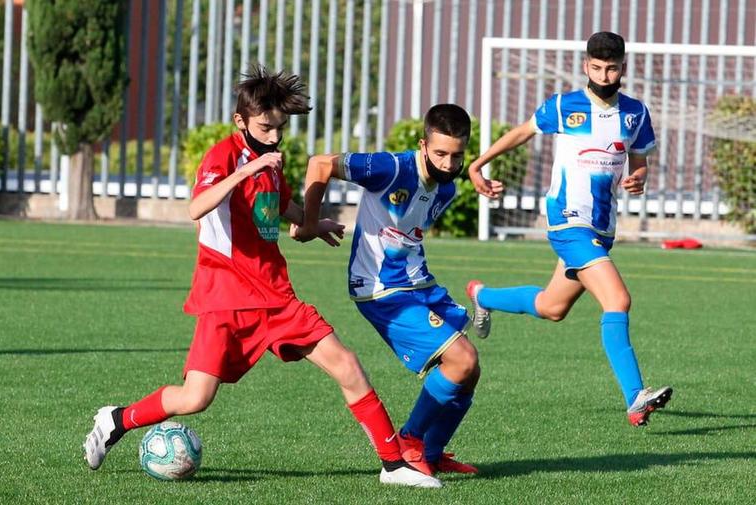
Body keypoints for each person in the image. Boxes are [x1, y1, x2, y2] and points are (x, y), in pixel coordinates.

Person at [82, 65, 441, 489]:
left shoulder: (269, 162)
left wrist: (315, 222)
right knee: (195, 398)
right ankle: (117, 420)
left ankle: (392, 464)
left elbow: (281, 206)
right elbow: (196, 208)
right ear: (241, 121)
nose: (274, 136)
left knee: (346, 363)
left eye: (279, 128)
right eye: (265, 128)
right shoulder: (225, 156)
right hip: (225, 299)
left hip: (276, 296)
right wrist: (245, 171)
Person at [466, 32, 672, 427]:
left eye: (611, 68)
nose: (604, 75)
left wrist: (639, 177)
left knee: (552, 307)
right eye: (597, 68)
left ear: (622, 68)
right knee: (618, 300)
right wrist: (478, 164)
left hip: (602, 228)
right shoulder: (563, 106)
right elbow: (521, 132)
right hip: (566, 220)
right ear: (585, 66)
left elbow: (639, 160)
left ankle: (483, 295)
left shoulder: (635, 113)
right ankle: (635, 397)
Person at [293, 104, 480, 476]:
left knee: (469, 371)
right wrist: (309, 224)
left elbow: (408, 234)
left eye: (456, 156)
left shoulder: (447, 188)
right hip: (381, 289)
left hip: (418, 283)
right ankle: (410, 440)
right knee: (462, 359)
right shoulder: (391, 168)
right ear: (422, 144)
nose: (447, 163)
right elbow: (320, 164)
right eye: (440, 153)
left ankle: (431, 451)